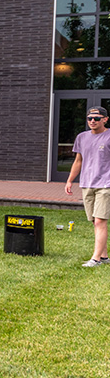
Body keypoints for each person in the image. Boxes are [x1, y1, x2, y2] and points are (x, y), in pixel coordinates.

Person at [66, 106, 110, 267]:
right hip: (87, 183)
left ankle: (96, 259)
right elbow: (79, 160)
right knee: (94, 220)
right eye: (90, 118)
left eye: (97, 118)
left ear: (105, 119)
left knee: (100, 221)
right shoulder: (82, 137)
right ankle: (104, 256)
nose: (92, 121)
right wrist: (70, 180)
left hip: (106, 184)